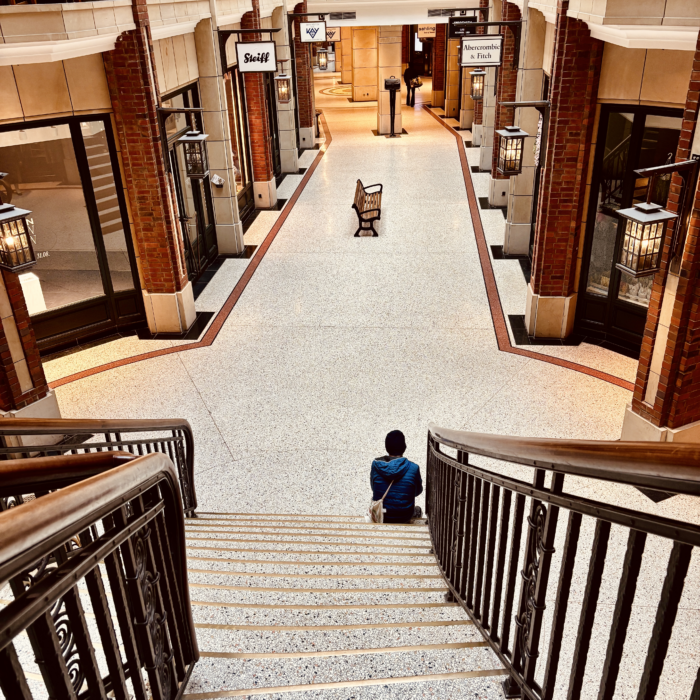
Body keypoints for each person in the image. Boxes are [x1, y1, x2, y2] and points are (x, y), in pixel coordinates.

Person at [370, 430, 423, 523]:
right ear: (404, 447)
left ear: (387, 447)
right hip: (405, 516)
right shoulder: (414, 468)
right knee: (418, 510)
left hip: (381, 514)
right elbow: (417, 492)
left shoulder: (376, 465)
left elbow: (373, 488)